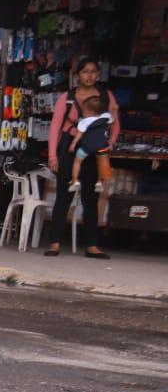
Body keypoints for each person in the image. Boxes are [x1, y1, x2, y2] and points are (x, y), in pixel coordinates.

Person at [45, 58, 120, 259]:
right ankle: (55, 243)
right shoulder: (67, 98)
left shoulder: (106, 96)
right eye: (85, 71)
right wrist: (52, 154)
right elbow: (55, 127)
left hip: (95, 150)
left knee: (90, 197)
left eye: (93, 71)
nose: (89, 75)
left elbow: (115, 124)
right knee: (64, 196)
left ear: (98, 74)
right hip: (71, 148)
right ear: (78, 74)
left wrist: (109, 144)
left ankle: (92, 245)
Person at [69, 94, 114, 193]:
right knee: (101, 164)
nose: (83, 113)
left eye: (84, 111)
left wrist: (73, 143)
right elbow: (111, 119)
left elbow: (79, 134)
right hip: (102, 146)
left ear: (90, 112)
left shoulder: (85, 121)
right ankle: (99, 183)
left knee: (77, 162)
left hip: (87, 146)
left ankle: (75, 181)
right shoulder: (106, 117)